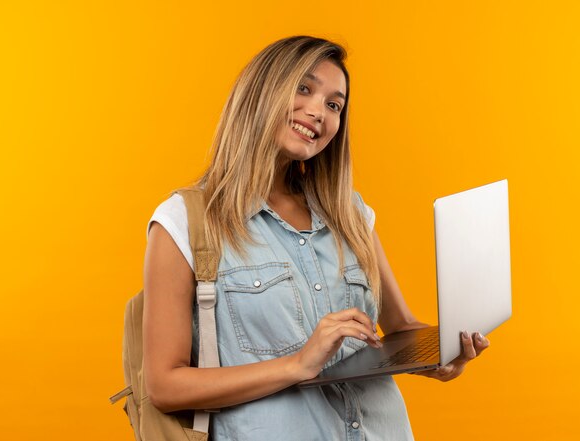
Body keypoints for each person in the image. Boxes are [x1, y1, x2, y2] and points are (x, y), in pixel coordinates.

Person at [142, 35, 490, 441]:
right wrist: (298, 364)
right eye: (304, 88)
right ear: (261, 92)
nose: (318, 112)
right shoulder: (186, 222)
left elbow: (401, 326)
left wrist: (440, 354)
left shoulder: (350, 213)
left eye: (334, 104)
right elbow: (164, 386)